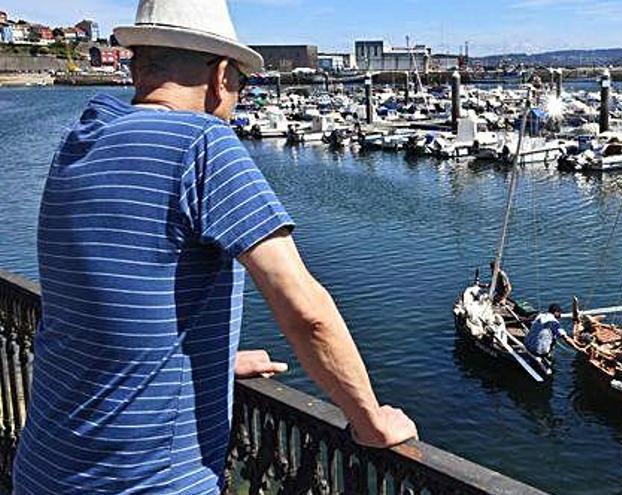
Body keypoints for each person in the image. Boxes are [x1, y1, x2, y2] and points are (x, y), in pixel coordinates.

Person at [12, 1, 416, 493]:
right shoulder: (202, 143)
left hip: (42, 465)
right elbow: (304, 310)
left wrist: (213, 361)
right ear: (222, 75)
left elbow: (99, 304)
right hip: (146, 481)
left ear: (137, 63)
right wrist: (370, 420)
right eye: (242, 84)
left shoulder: (81, 137)